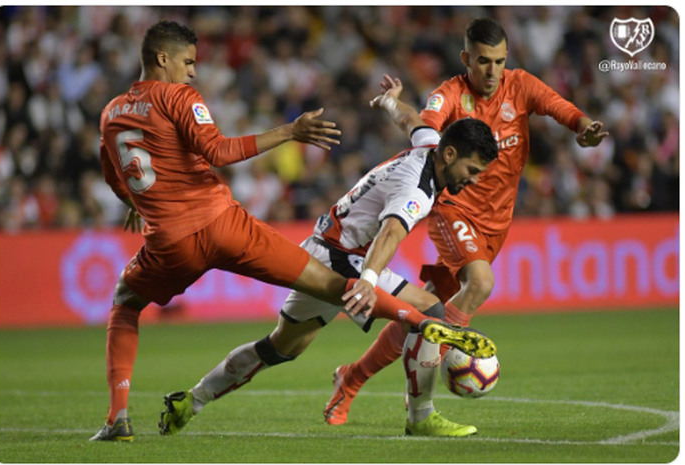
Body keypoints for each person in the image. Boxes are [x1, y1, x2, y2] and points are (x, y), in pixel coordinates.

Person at [89, 20, 487, 443]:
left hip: (171, 241)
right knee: (410, 306)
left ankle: (134, 414)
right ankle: (420, 392)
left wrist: (391, 102)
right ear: (162, 58)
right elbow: (219, 152)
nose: (192, 72)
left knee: (140, 308)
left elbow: (114, 172)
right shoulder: (179, 96)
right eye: (187, 62)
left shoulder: (111, 112)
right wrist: (290, 132)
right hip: (247, 231)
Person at [158, 77, 498, 438]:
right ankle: (421, 417)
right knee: (429, 313)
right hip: (338, 259)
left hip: (335, 249)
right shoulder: (416, 187)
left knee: (281, 347)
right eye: (472, 171)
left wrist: (388, 101)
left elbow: (410, 119)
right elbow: (391, 232)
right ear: (449, 154)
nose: (473, 181)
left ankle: (191, 401)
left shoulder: (431, 144)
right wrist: (368, 282)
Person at [324, 17, 609, 425]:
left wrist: (584, 127)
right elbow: (424, 126)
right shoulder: (450, 95)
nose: (491, 71)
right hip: (453, 211)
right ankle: (420, 404)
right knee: (480, 283)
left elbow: (559, 108)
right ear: (465, 58)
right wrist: (394, 105)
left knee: (423, 317)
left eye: (498, 61)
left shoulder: (521, 85)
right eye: (482, 61)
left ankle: (350, 379)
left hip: (497, 224)